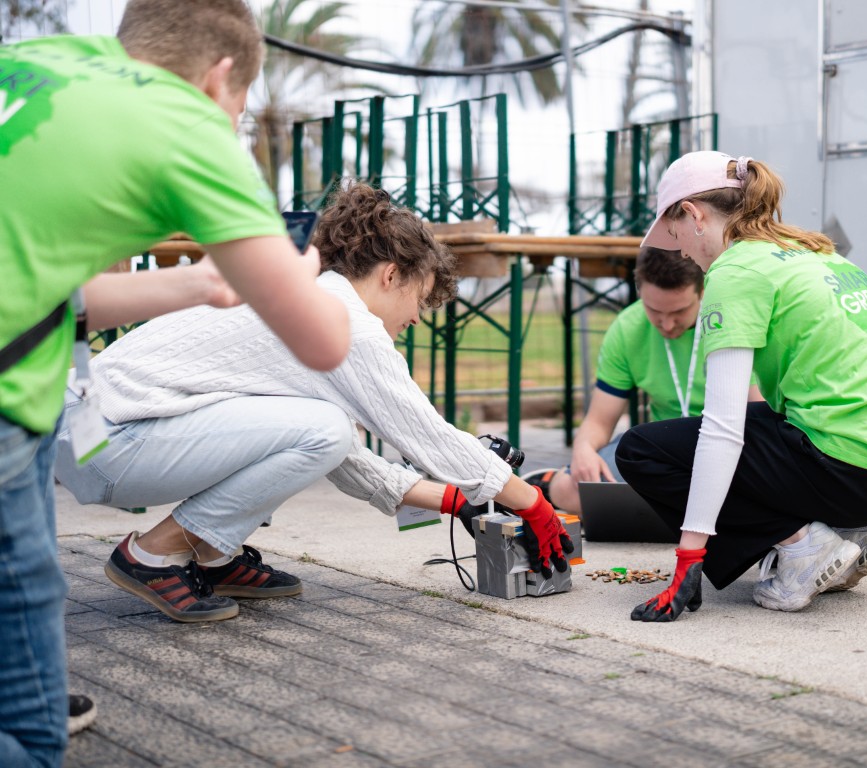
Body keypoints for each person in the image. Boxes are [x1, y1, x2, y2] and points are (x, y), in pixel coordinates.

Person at [0, 1, 353, 764]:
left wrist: (201, 285)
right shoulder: (182, 119)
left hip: (26, 382)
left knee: (27, 592)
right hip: (10, 402)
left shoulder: (35, 64)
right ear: (220, 77)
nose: (232, 125)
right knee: (28, 717)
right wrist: (297, 272)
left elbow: (47, 292)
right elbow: (323, 341)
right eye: (239, 110)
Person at [54, 180, 573, 626]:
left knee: (322, 430)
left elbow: (338, 457)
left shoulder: (305, 293)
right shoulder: (346, 321)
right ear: (391, 274)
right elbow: (426, 436)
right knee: (324, 427)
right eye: (419, 299)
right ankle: (152, 556)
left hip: (85, 434)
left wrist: (456, 499)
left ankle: (213, 554)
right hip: (111, 441)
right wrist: (532, 502)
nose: (417, 317)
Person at [616, 151, 867, 622]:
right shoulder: (809, 250)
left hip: (853, 472)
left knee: (642, 450)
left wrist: (690, 555)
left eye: (675, 235)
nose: (682, 253)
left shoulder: (735, 270)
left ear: (693, 214)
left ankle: (805, 548)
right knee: (761, 424)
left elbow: (723, 429)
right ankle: (852, 533)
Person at [527, 247, 760, 517]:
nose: (667, 324)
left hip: (728, 445)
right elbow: (599, 421)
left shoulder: (730, 320)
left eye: (679, 311)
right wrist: (583, 449)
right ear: (639, 291)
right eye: (654, 310)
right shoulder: (628, 327)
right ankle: (551, 481)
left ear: (703, 291)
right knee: (568, 489)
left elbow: (760, 418)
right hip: (661, 450)